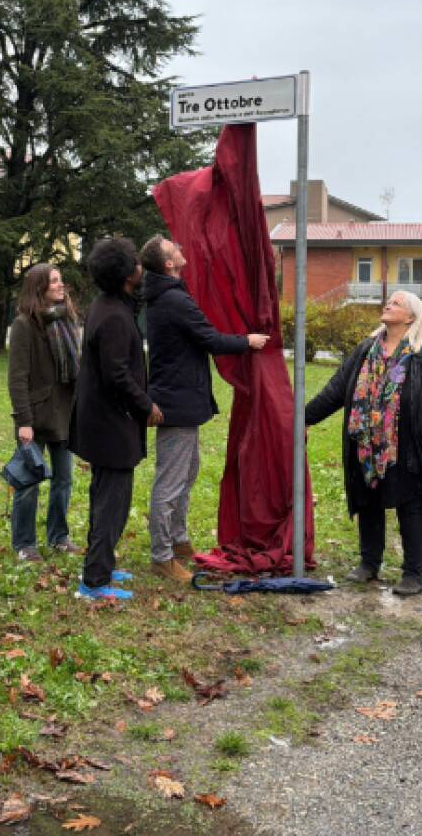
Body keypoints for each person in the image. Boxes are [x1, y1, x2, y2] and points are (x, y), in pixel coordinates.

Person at [304, 291, 422, 596]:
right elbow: (336, 390)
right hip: (366, 445)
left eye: (397, 303)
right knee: (369, 503)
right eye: (389, 301)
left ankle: (413, 574)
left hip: (406, 446)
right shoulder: (365, 350)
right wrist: (304, 419)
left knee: (410, 507)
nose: (388, 304)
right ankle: (369, 563)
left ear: (410, 317)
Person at [139, 234, 269, 582]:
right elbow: (210, 338)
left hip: (181, 399)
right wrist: (248, 341)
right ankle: (161, 556)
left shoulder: (167, 296)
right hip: (176, 402)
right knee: (170, 482)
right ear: (168, 264)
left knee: (188, 473)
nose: (180, 248)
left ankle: (178, 541)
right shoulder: (172, 300)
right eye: (173, 248)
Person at [69, 238, 162, 600]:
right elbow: (117, 374)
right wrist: (146, 406)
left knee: (105, 497)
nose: (141, 267)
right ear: (128, 275)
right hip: (111, 424)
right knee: (112, 502)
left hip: (105, 422)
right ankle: (94, 582)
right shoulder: (113, 316)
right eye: (137, 263)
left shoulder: (109, 306)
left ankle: (100, 566)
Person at [8, 264, 81, 561]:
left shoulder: (67, 319)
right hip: (36, 416)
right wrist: (24, 421)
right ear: (39, 287)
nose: (60, 285)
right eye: (54, 281)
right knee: (28, 482)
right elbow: (17, 377)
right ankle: (24, 543)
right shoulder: (25, 324)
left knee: (63, 479)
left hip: (65, 412)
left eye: (61, 280)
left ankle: (58, 536)